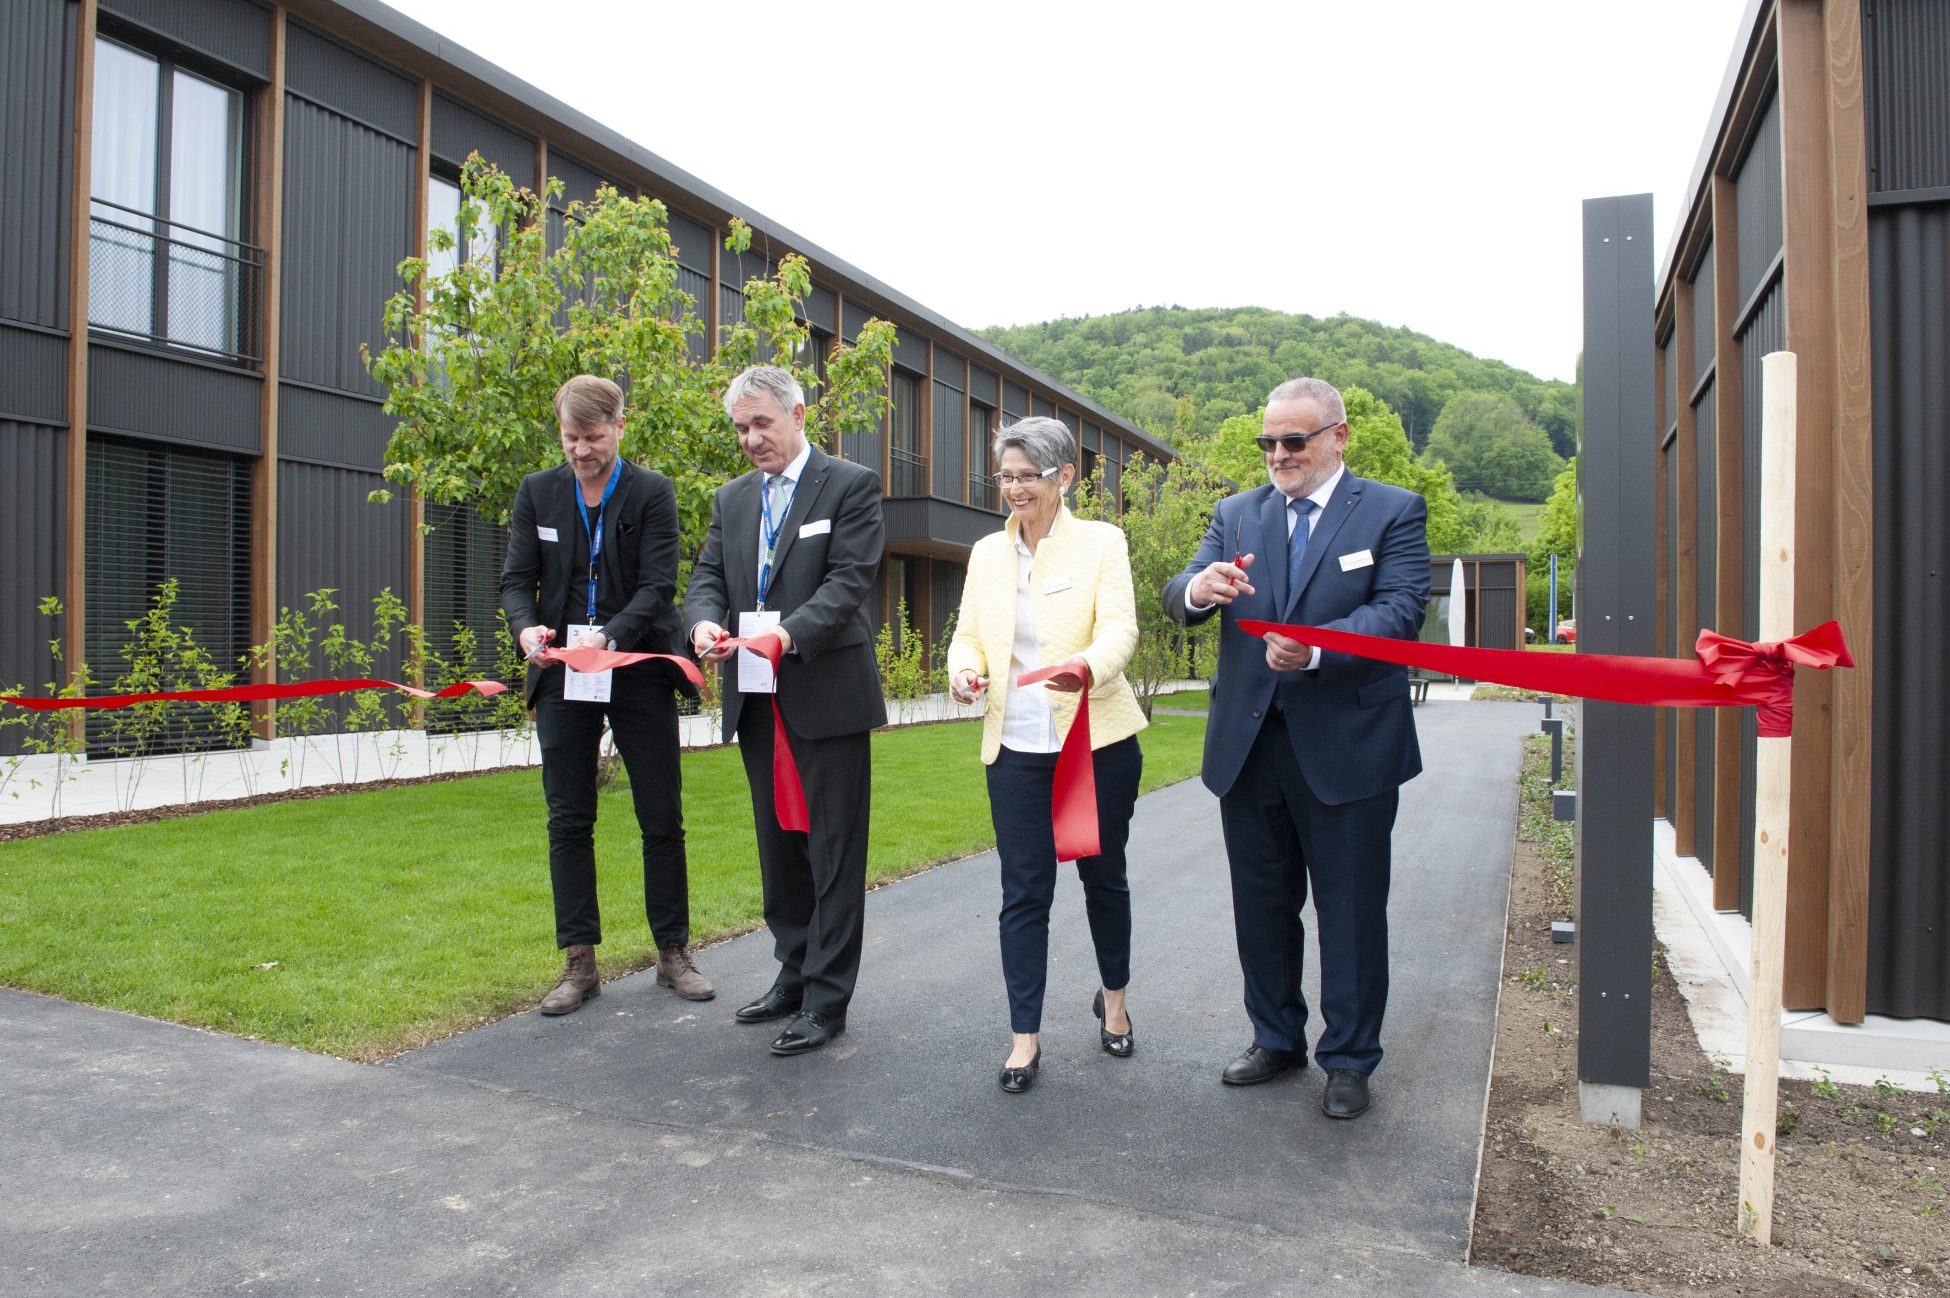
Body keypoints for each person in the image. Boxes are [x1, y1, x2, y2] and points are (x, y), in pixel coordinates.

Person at [1164, 377, 1429, 1119]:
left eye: (1293, 440)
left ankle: (1348, 1058)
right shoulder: (1236, 514)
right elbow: (1180, 591)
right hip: (1250, 747)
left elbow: (1401, 610)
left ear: (1337, 436)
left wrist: (1316, 650)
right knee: (1262, 907)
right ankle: (1276, 1038)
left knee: (1350, 912)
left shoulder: (1392, 510)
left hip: (1349, 748)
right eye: (1268, 442)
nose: (1278, 455)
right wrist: (1200, 587)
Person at [684, 365, 886, 1056]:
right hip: (756, 695)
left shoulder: (850, 485)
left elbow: (849, 583)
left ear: (798, 415)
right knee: (779, 849)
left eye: (762, 423)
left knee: (832, 851)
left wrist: (786, 635)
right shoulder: (733, 498)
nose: (751, 438)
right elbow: (708, 576)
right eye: (741, 427)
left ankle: (828, 1000)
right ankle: (793, 974)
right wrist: (703, 623)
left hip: (825, 692)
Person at [947, 418, 1148, 1094]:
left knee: (1103, 879)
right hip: (1016, 749)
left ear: (1064, 477)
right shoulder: (986, 553)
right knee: (1024, 892)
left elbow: (1120, 629)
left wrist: (1085, 668)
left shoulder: (1102, 543)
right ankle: (1023, 1039)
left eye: (1027, 476)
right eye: (1005, 476)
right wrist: (964, 671)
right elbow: (968, 636)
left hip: (1094, 745)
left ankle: (1113, 1002)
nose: (1014, 488)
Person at [501, 374, 713, 1015]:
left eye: (592, 437)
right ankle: (579, 964)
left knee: (661, 817)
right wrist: (525, 628)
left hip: (638, 666)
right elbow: (516, 582)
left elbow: (657, 588)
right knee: (568, 820)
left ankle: (673, 953)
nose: (580, 450)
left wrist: (608, 638)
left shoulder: (653, 492)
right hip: (564, 673)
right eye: (570, 437)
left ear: (620, 427)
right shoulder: (537, 492)